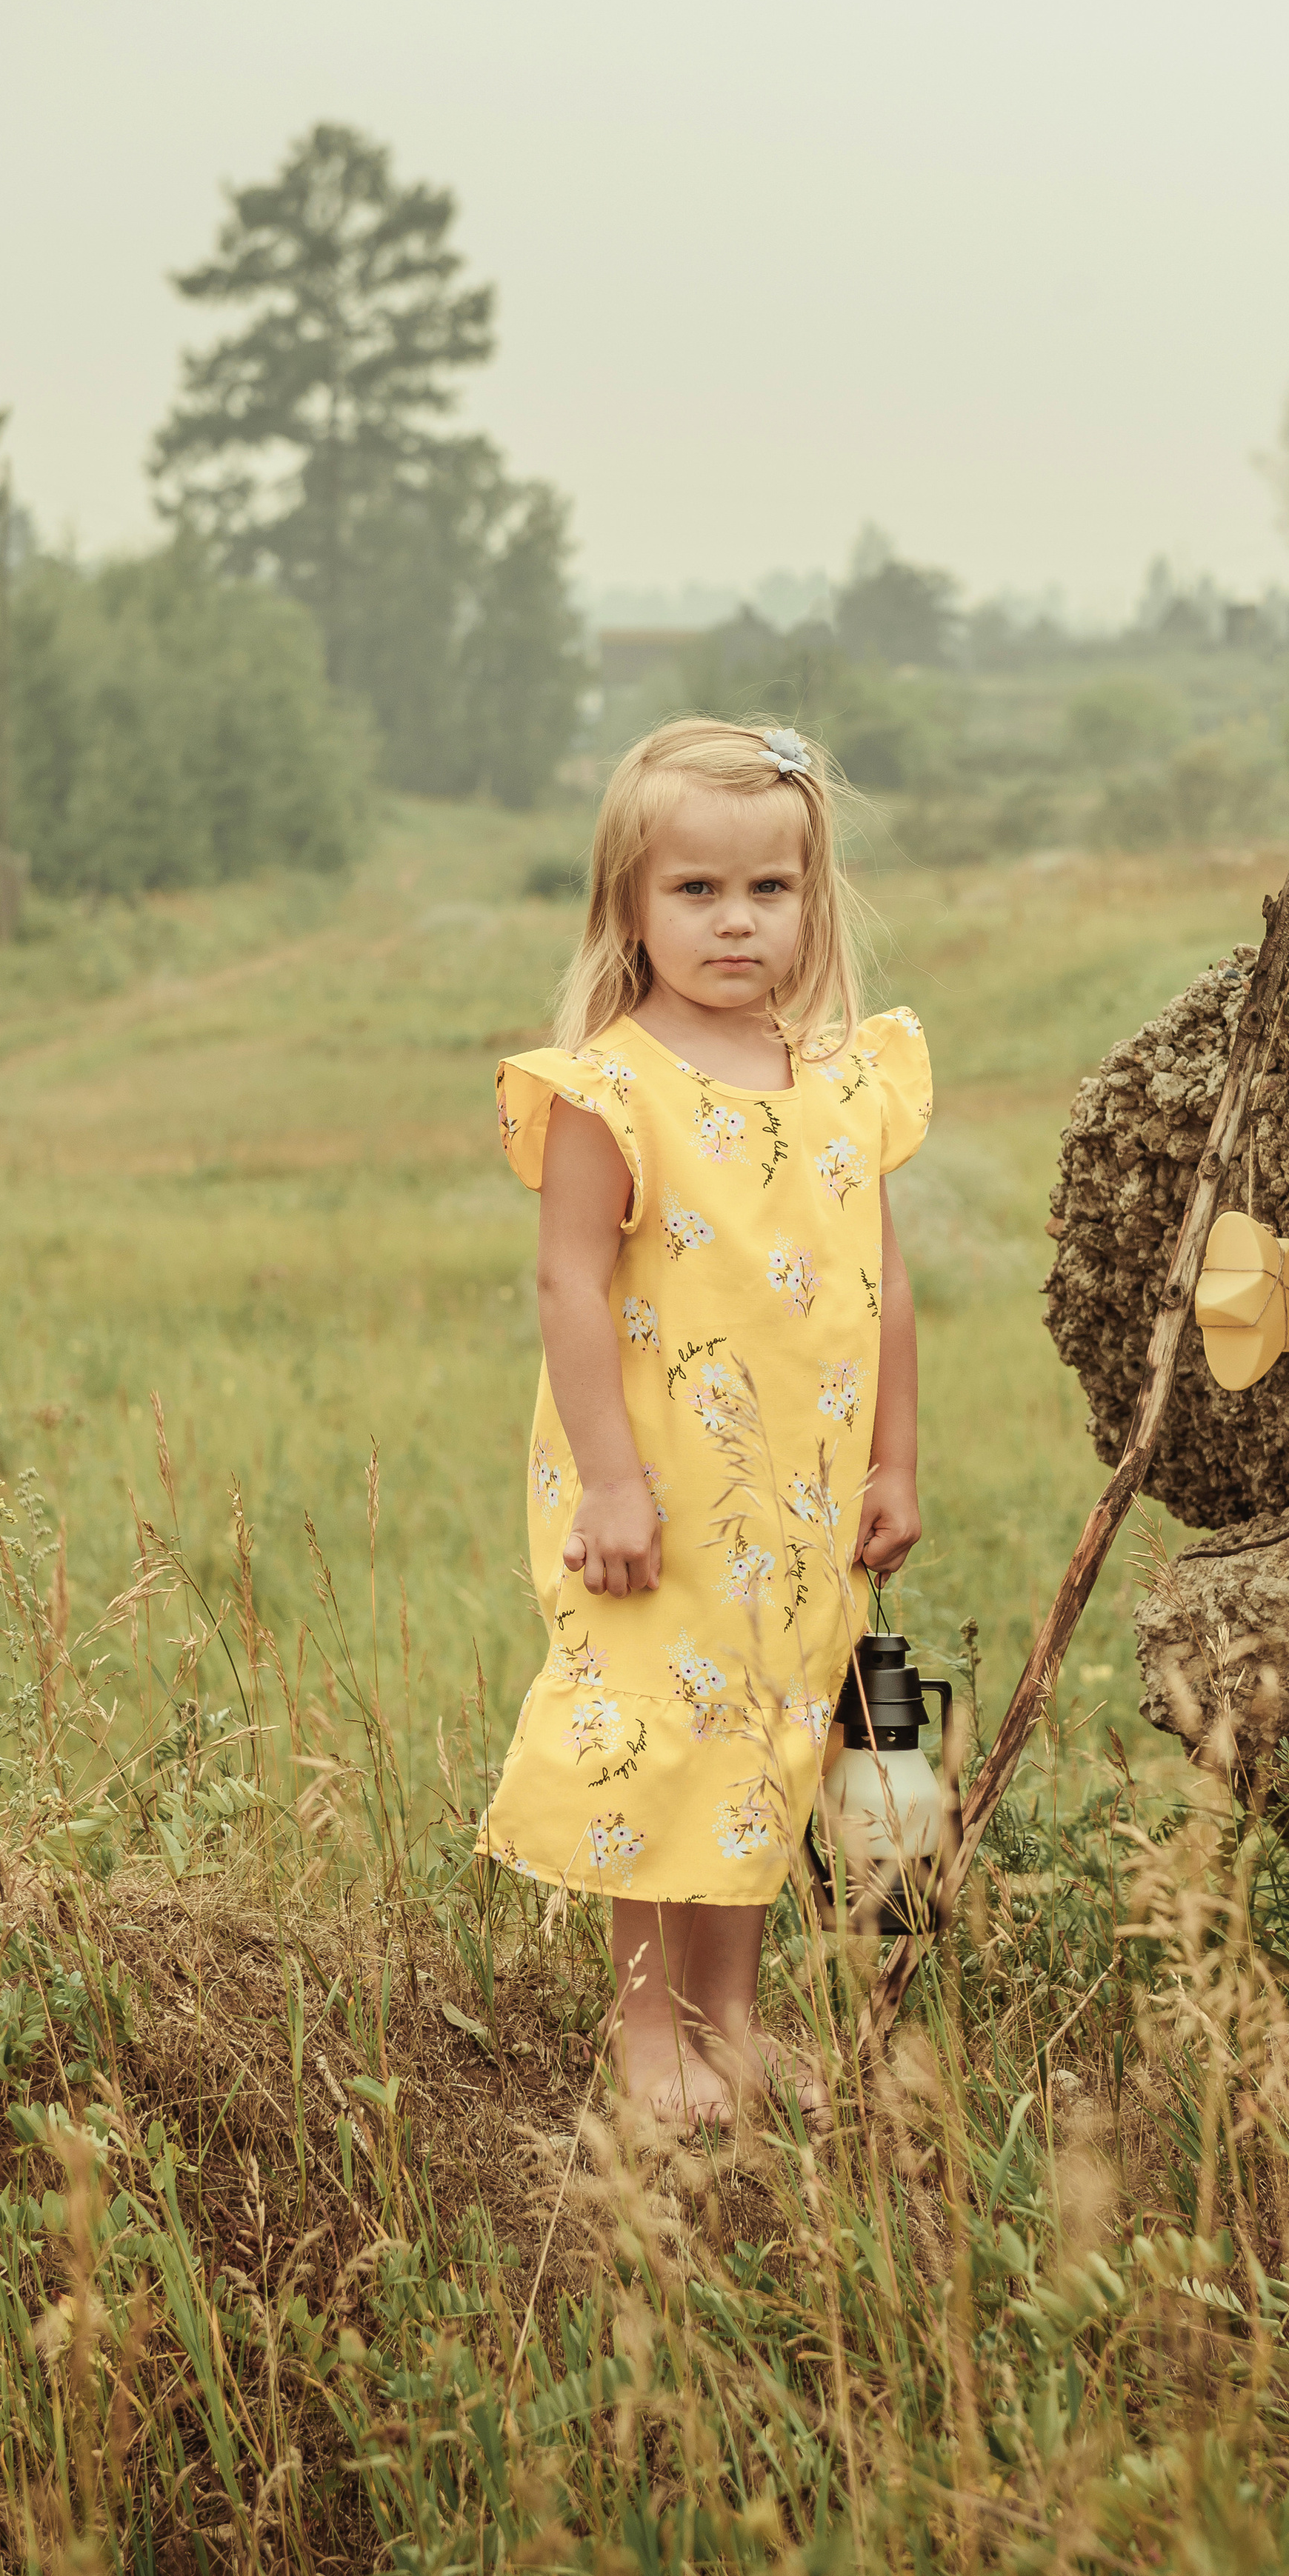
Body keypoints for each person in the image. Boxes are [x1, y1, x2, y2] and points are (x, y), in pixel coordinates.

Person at [482, 716, 931, 2126]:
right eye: (695, 891)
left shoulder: (846, 1080)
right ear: (630, 903)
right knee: (656, 1742)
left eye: (769, 890)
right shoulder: (610, 1087)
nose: (736, 921)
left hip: (793, 1506)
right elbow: (567, 1282)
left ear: (813, 897)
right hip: (658, 1495)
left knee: (767, 1744)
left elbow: (884, 1283)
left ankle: (729, 2018)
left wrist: (896, 1458)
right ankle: (645, 2042)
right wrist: (609, 1481)